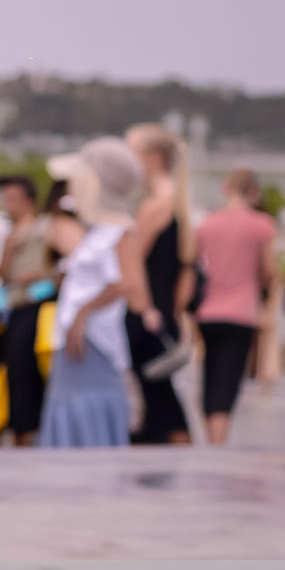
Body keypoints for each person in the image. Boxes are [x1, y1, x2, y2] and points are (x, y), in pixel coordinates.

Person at [39, 139, 146, 447]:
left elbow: (128, 282)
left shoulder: (119, 229)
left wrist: (82, 314)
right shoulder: (100, 229)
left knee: (86, 409)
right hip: (79, 339)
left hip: (94, 342)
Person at [194, 169, 278, 444]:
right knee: (228, 378)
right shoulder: (262, 225)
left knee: (209, 372)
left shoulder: (207, 223)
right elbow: (269, 271)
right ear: (255, 193)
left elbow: (193, 265)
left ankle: (210, 433)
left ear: (225, 188)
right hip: (241, 312)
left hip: (207, 311)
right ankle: (219, 439)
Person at [123, 125, 194, 443]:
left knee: (159, 399)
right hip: (160, 311)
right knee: (159, 396)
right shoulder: (175, 202)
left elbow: (131, 261)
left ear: (151, 159)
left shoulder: (154, 206)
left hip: (146, 312)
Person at [0, 174, 52, 445]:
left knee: (32, 377)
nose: (8, 204)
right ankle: (21, 432)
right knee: (16, 377)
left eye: (12, 198)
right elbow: (3, 276)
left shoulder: (46, 228)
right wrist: (9, 249)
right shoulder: (10, 235)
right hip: (14, 308)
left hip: (38, 307)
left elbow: (58, 269)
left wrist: (39, 275)